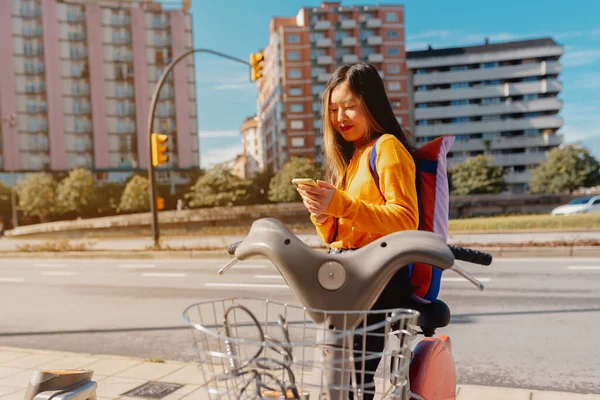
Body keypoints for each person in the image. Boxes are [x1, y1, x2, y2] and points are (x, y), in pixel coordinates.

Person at [296, 63, 419, 398]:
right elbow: (337, 234)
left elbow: (407, 220)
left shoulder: (387, 148)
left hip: (376, 279)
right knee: (336, 379)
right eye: (333, 109)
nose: (340, 117)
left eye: (350, 106)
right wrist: (322, 212)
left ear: (372, 103)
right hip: (346, 275)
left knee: (353, 381)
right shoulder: (352, 159)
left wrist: (342, 205)